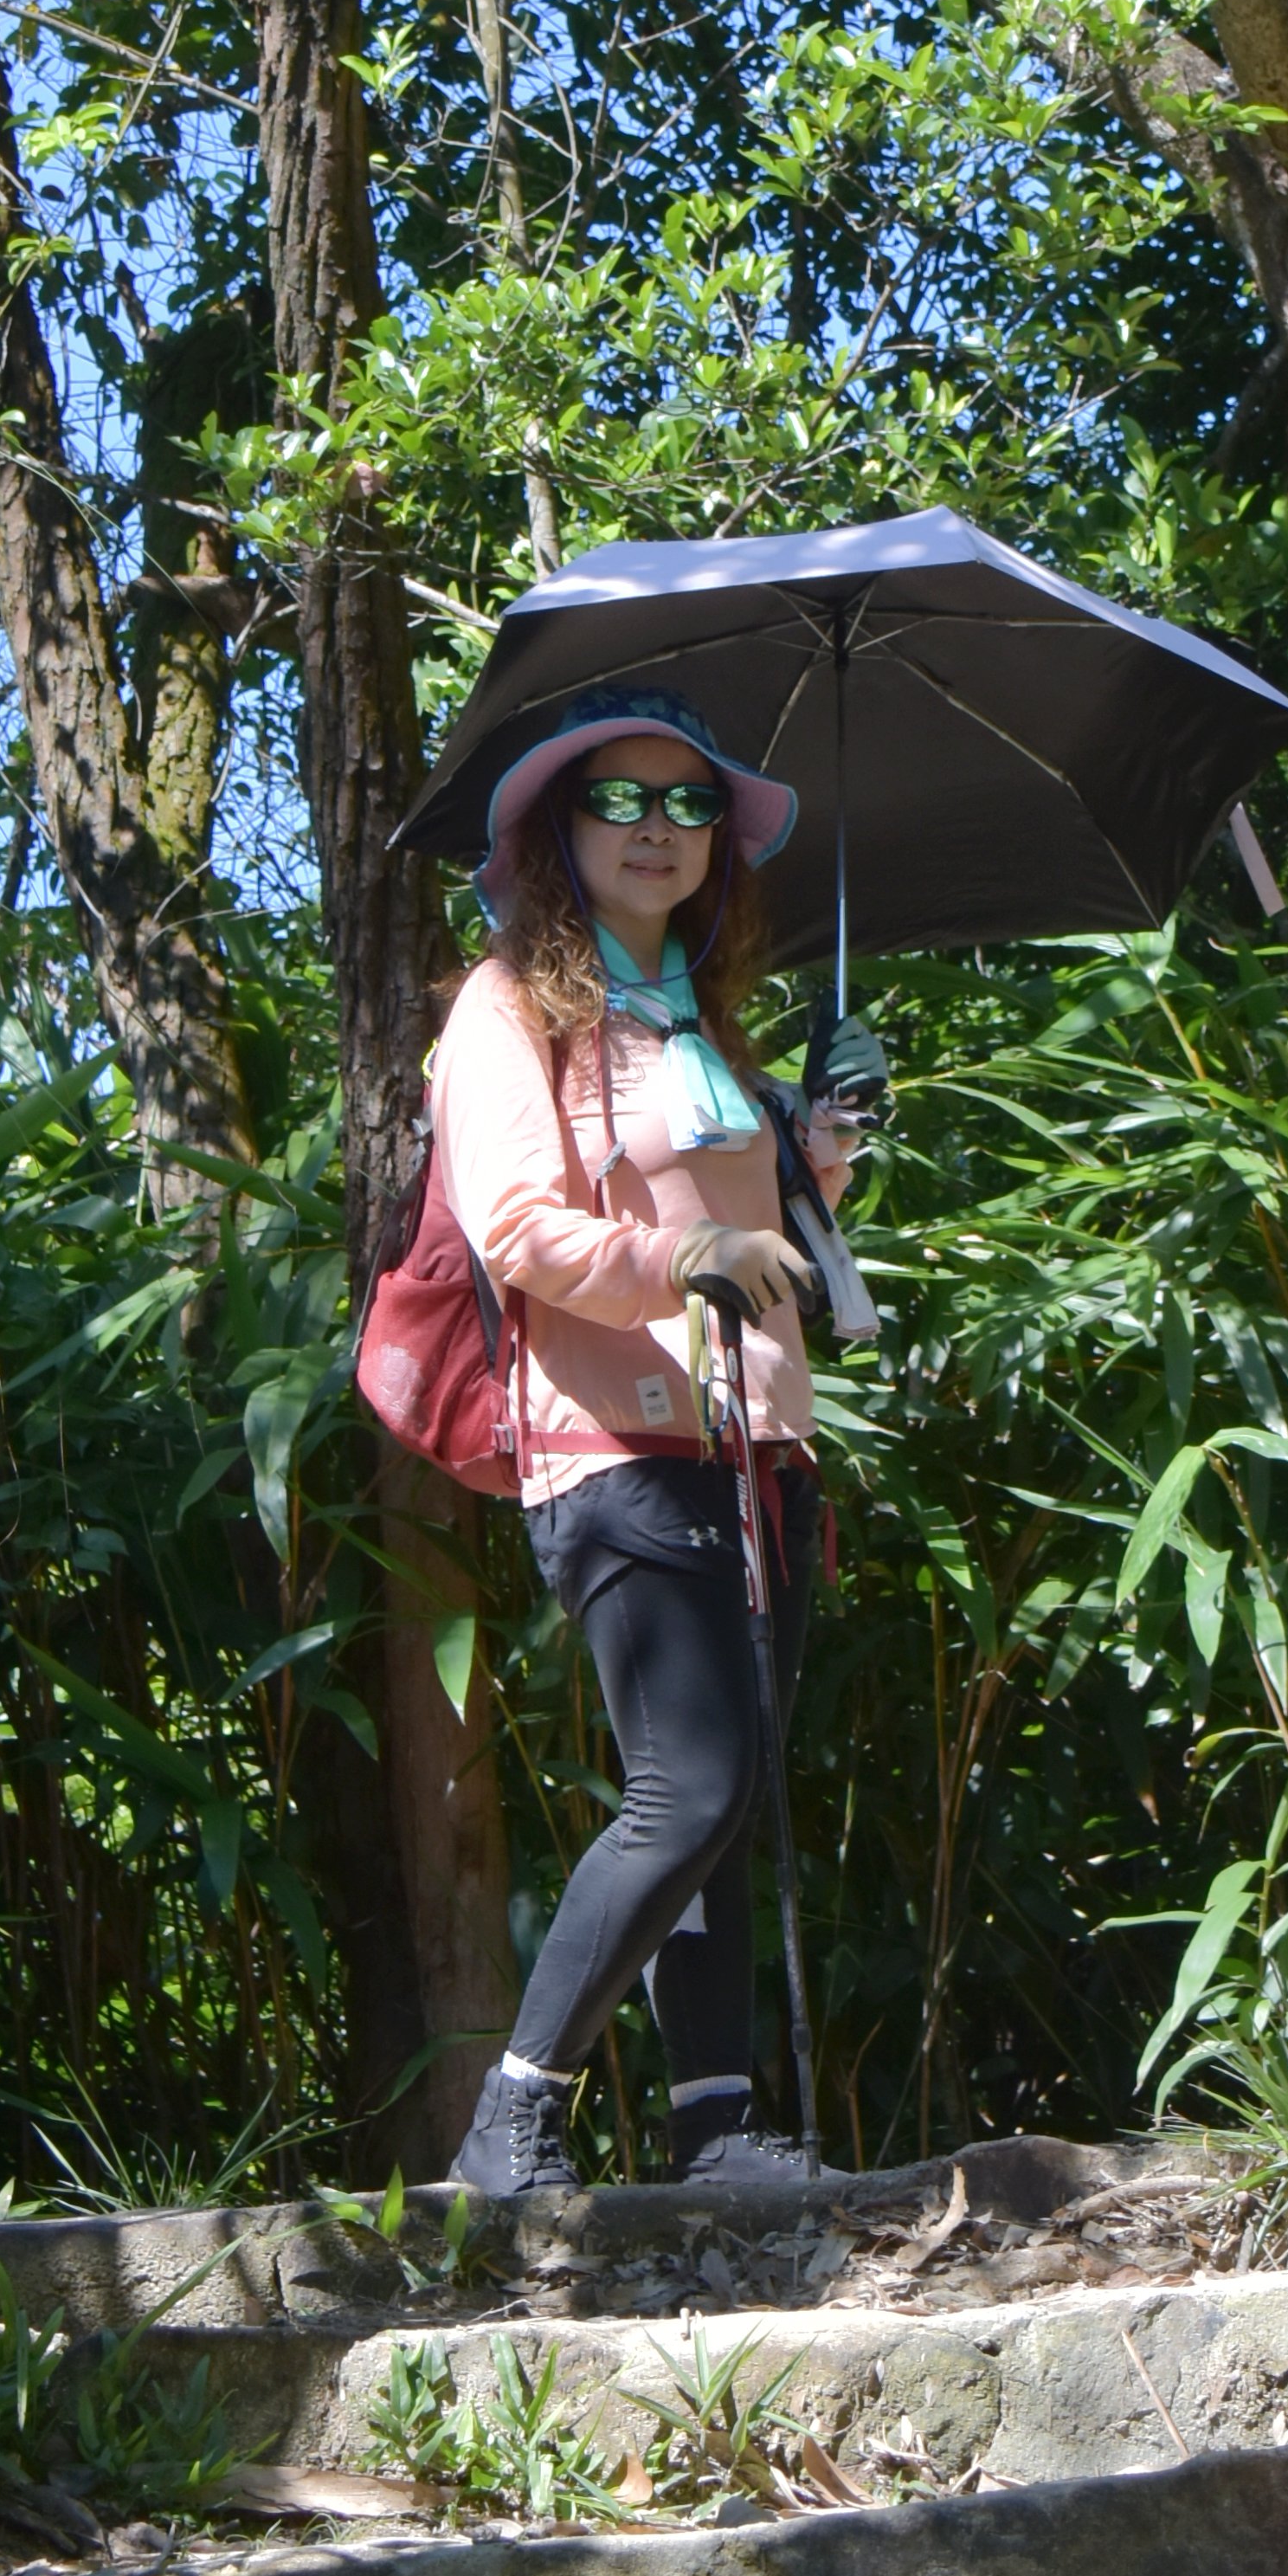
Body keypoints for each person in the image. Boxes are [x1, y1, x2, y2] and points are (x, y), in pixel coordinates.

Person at [431, 681, 854, 2198]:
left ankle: (713, 2130)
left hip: (755, 1447)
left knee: (721, 1806)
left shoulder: (700, 1020)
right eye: (621, 798)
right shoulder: (508, 1008)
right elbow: (517, 1226)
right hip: (609, 1442)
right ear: (563, 828)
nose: (658, 827)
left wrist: (818, 1157)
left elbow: (754, 1236)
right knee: (690, 1785)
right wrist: (682, 1260)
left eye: (691, 803)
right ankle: (512, 2119)